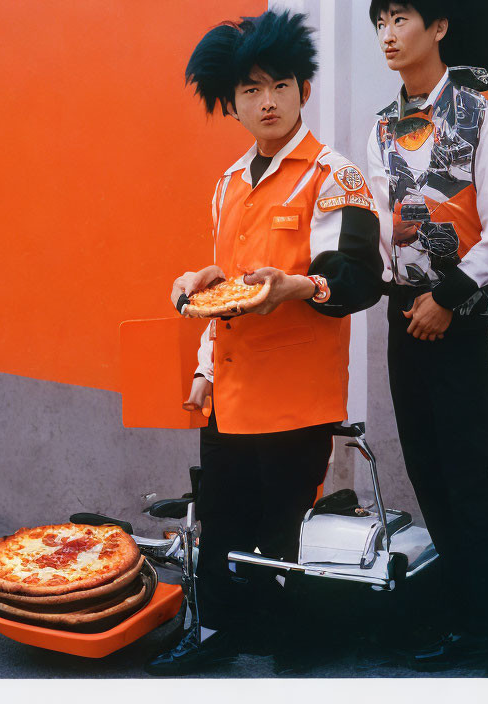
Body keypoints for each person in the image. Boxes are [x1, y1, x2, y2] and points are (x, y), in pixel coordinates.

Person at [145, 10, 383, 675]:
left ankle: (297, 642)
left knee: (286, 532)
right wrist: (201, 341)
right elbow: (223, 298)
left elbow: (358, 278)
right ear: (232, 103)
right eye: (250, 90)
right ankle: (218, 630)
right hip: (231, 390)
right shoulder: (228, 185)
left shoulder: (334, 177)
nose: (267, 101)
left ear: (303, 89)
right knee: (220, 521)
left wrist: (297, 286)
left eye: (280, 84)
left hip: (295, 398)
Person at [364, 0, 488, 676]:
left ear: (438, 27)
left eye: (402, 18)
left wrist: (446, 298)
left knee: (467, 474)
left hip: (457, 313)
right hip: (403, 313)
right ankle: (470, 621)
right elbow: (385, 223)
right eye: (380, 22)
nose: (388, 33)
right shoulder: (382, 124)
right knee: (427, 471)